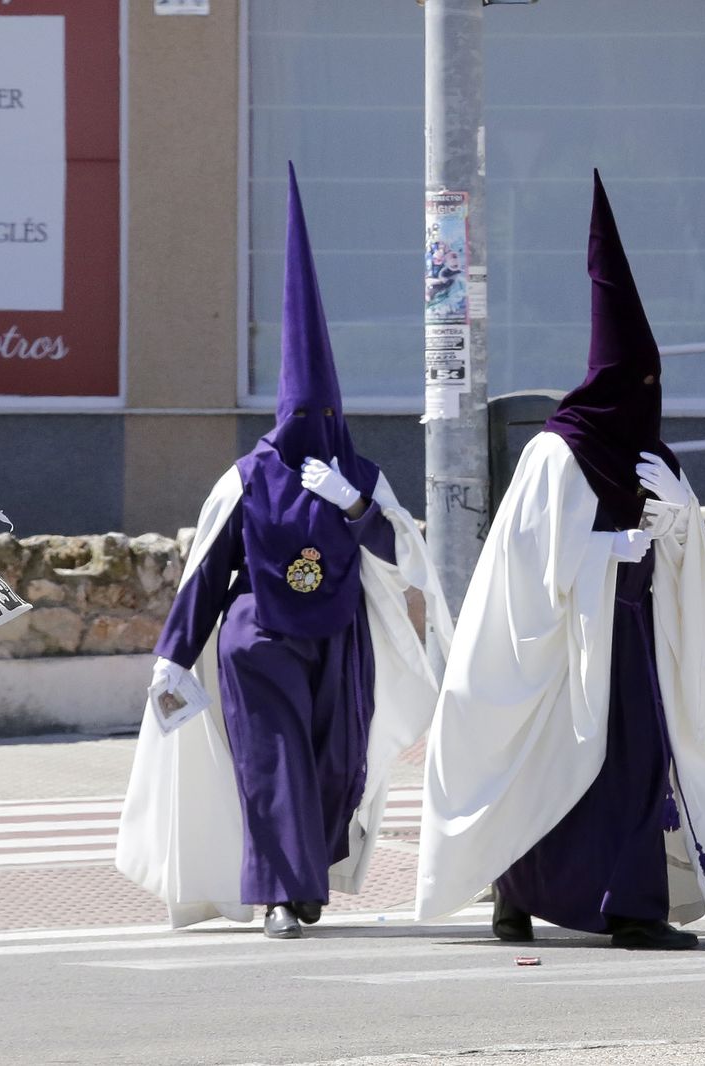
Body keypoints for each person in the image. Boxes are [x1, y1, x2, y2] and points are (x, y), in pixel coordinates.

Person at [116, 165, 452, 939]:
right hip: (259, 639)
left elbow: (403, 555)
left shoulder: (358, 474)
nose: (313, 424)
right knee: (274, 768)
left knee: (335, 768)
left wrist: (356, 505)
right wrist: (174, 653)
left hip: (340, 643)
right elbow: (206, 571)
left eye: (323, 412)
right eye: (303, 413)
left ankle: (308, 882)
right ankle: (278, 894)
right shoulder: (245, 479)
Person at [415, 172, 705, 951]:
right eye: (640, 383)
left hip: (632, 645)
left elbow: (684, 554)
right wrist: (601, 552)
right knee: (547, 765)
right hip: (562, 651)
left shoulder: (653, 455)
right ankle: (514, 899)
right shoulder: (559, 453)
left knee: (633, 767)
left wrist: (678, 519)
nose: (650, 397)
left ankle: (629, 906)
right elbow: (526, 566)